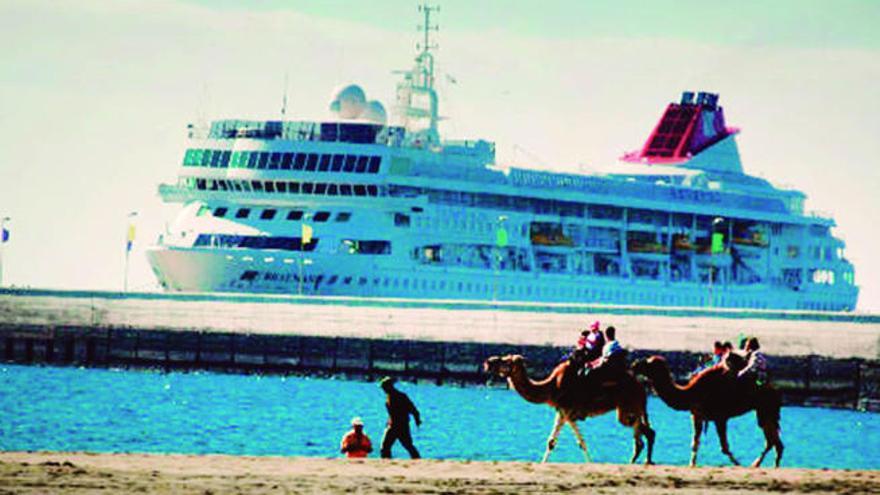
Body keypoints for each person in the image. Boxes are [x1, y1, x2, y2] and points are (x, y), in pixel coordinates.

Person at [379, 376, 421, 459]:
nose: (383, 390)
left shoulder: (401, 397)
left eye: (384, 387)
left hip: (402, 425)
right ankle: (386, 463)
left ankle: (418, 460)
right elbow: (392, 414)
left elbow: (413, 409)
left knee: (407, 445)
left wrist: (417, 420)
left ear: (389, 386)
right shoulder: (388, 397)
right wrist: (388, 423)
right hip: (393, 425)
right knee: (385, 447)